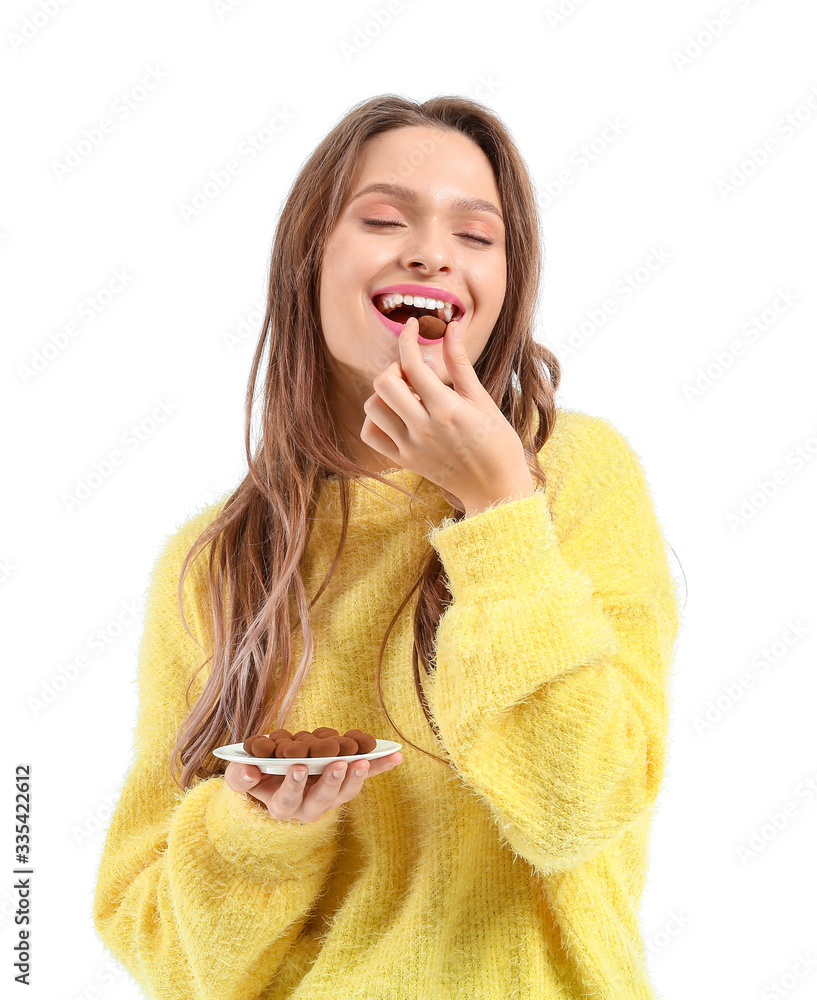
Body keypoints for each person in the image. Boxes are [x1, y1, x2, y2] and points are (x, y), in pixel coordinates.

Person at [92, 93, 683, 1000]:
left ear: (502, 290)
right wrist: (256, 831)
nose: (431, 251)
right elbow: (163, 954)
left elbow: (579, 811)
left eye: (476, 235)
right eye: (382, 219)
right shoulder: (210, 565)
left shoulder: (572, 475)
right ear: (308, 262)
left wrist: (495, 509)